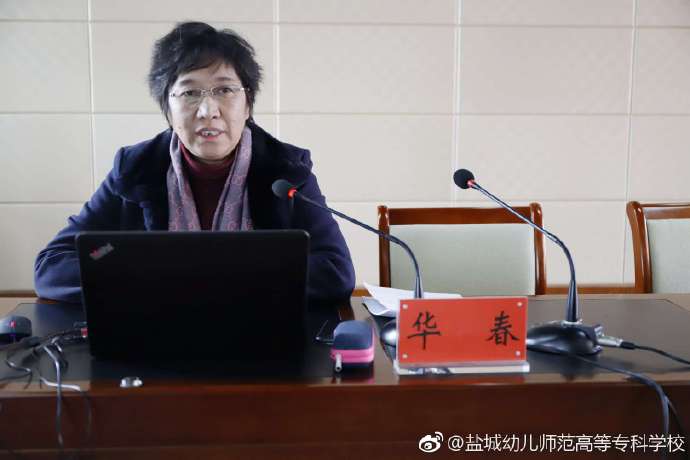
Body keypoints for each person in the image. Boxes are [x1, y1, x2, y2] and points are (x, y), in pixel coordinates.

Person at [34, 22, 355, 305]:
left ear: (247, 105)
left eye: (225, 90)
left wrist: (202, 278)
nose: (208, 110)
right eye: (189, 93)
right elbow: (52, 266)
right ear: (168, 109)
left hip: (261, 335)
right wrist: (150, 278)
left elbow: (335, 271)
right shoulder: (135, 169)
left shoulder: (285, 170)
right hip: (156, 335)